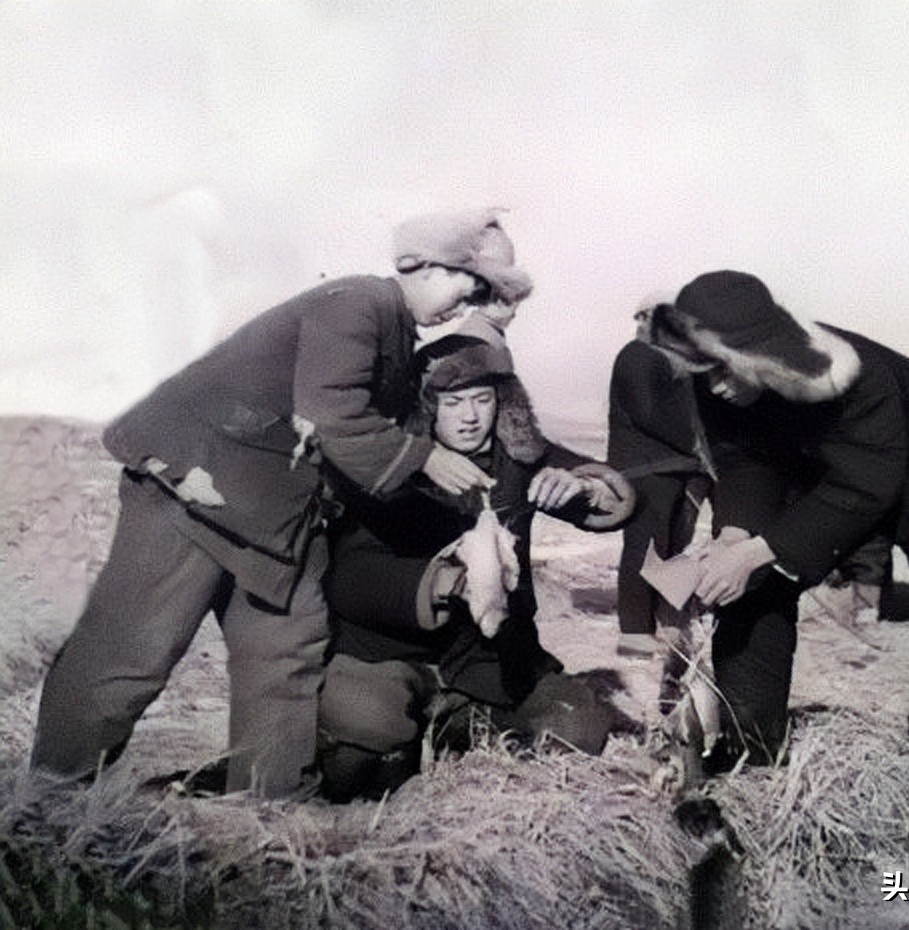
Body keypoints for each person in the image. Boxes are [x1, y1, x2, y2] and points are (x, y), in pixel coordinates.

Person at [31, 208, 533, 798]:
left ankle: (266, 807)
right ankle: (48, 802)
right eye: (464, 285)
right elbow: (332, 410)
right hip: (195, 491)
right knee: (132, 654)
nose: (464, 307)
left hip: (276, 519)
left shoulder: (396, 338)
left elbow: (348, 444)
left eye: (480, 297)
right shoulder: (360, 302)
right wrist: (421, 457)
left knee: (287, 651)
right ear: (418, 264)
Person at [650, 270, 909, 881]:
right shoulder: (712, 378)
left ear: (764, 351)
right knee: (752, 586)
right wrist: (735, 535)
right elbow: (745, 462)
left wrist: (758, 551)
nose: (713, 388)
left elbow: (868, 484)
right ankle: (754, 760)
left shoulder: (852, 376)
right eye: (702, 374)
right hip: (842, 471)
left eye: (725, 370)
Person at [316, 333, 634, 802]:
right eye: (453, 402)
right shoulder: (388, 469)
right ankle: (412, 726)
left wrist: (582, 488)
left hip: (489, 659)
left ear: (502, 403)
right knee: (360, 762)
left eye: (483, 399)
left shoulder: (519, 457)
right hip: (389, 654)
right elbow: (348, 579)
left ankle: (454, 723)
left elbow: (615, 496)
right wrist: (447, 584)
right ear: (427, 407)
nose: (469, 416)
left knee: (576, 727)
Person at [607, 297, 714, 657]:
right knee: (645, 547)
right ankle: (635, 630)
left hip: (675, 467)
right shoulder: (637, 354)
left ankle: (663, 618)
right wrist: (699, 446)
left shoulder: (673, 360)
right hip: (644, 468)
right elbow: (648, 411)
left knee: (670, 547)